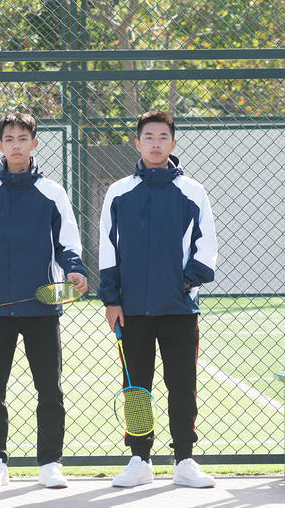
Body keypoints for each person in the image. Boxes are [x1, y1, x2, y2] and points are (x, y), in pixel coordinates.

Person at [0, 112, 88, 490]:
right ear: (0, 145)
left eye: (22, 138)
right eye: (9, 139)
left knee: (50, 389)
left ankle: (50, 463)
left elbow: (68, 243)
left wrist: (74, 270)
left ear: (34, 143)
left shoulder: (53, 192)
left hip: (41, 308)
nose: (16, 145)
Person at [99, 110, 218, 489]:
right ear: (137, 143)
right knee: (136, 389)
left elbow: (206, 247)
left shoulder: (193, 191)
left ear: (173, 143)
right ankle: (140, 459)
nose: (155, 143)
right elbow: (107, 248)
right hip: (131, 310)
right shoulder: (118, 192)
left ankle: (184, 459)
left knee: (182, 385)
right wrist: (112, 299)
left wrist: (184, 284)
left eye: (162, 137)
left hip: (179, 309)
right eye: (148, 137)